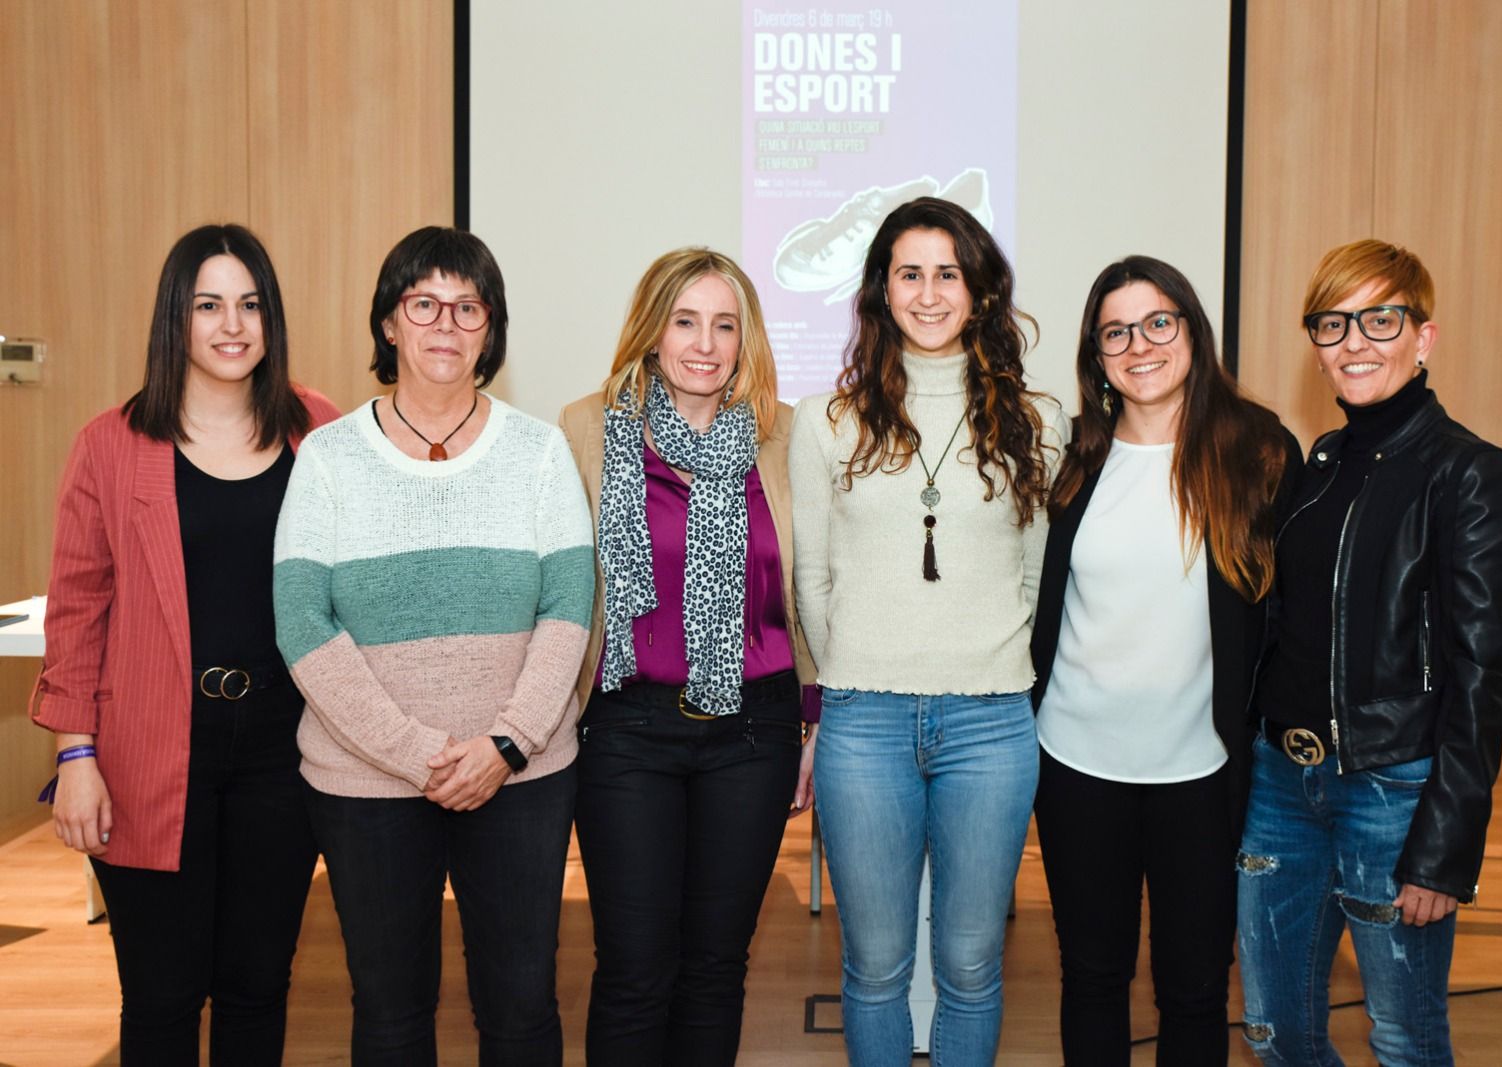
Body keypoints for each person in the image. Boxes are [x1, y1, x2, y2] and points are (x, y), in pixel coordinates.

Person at [272, 226, 593, 1065]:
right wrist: (418, 753)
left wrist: (505, 744)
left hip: (520, 776)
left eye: (468, 307)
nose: (446, 324)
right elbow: (302, 622)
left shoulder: (539, 451)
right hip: (366, 780)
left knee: (521, 1004)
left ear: (491, 329)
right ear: (389, 322)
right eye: (424, 304)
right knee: (390, 1010)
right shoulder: (329, 457)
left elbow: (569, 608)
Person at [32, 223, 339, 1066]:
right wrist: (75, 753)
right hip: (147, 747)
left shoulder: (319, 430)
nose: (232, 325)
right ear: (176, 316)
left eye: (250, 304)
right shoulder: (110, 443)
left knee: (257, 985)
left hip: (284, 746)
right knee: (162, 996)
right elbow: (78, 609)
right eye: (208, 305)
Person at [788, 196, 1068, 1066]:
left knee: (971, 963)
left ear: (980, 290)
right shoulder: (825, 420)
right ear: (882, 289)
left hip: (991, 722)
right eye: (909, 273)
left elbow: (1032, 576)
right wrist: (851, 670)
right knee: (875, 965)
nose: (930, 292)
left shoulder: (1038, 421)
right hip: (863, 721)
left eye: (949, 273)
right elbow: (813, 577)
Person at [1238, 239, 1502, 1066]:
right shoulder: (1320, 464)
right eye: (1333, 324)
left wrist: (1444, 849)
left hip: (1393, 790)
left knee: (1404, 1039)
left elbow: (1486, 673)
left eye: (1380, 320)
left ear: (1423, 337)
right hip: (1282, 782)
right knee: (1275, 1032)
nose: (1354, 342)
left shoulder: (1470, 472)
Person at [1029, 256, 1302, 1065]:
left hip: (1203, 772)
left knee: (1195, 989)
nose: (1139, 345)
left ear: (1191, 329)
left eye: (1157, 323)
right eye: (1115, 332)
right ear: (1096, 354)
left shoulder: (1259, 451)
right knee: (1092, 977)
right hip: (1075, 764)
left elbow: (1287, 616)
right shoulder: (1074, 457)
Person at [559, 247, 818, 1066]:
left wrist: (813, 720)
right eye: (685, 321)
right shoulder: (587, 428)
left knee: (714, 968)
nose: (705, 344)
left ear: (748, 340)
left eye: (725, 325)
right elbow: (563, 588)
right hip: (626, 728)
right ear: (652, 329)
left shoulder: (787, 437)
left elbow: (812, 587)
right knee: (634, 970)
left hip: (755, 730)